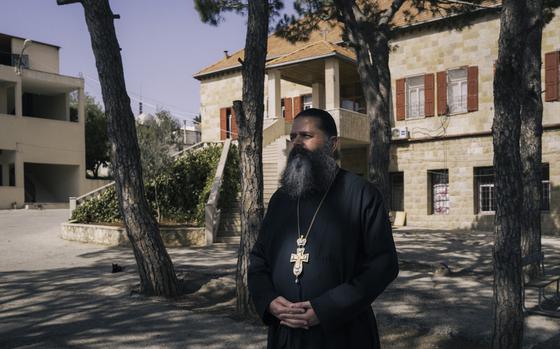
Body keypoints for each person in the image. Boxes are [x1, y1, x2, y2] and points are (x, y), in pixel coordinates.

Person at [248, 108, 399, 349]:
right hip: (286, 333)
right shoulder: (280, 199)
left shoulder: (361, 194)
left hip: (344, 333)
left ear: (333, 144)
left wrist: (327, 308)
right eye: (293, 137)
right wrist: (269, 300)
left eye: (306, 136)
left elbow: (384, 264)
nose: (296, 143)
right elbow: (258, 260)